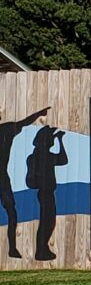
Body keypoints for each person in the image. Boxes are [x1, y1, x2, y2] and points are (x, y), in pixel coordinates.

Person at [0, 106, 48, 259]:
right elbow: (24, 123)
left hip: (2, 177)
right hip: (2, 177)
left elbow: (24, 123)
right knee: (11, 213)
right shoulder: (7, 129)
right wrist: (39, 113)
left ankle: (12, 248)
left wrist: (39, 113)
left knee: (12, 212)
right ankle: (12, 248)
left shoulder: (7, 129)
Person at [26, 125, 67, 261]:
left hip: (44, 192)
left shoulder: (34, 156)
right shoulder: (46, 156)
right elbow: (63, 159)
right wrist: (60, 140)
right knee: (47, 222)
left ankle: (42, 249)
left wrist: (56, 138)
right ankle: (41, 250)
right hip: (46, 193)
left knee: (47, 222)